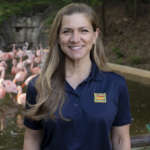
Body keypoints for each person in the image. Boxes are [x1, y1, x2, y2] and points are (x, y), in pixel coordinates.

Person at [23, 3, 131, 150]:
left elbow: (120, 138)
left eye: (84, 31)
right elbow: (32, 139)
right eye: (67, 31)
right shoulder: (39, 85)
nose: (75, 39)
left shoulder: (115, 84)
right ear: (58, 37)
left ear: (95, 36)